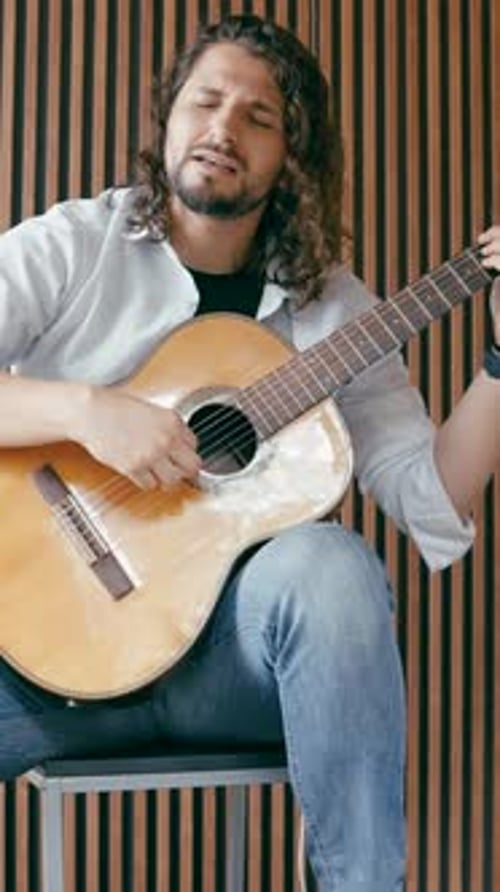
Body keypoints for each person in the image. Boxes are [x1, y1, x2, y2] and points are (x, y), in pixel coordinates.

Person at [0, 13, 498, 891]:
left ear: (291, 154)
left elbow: (432, 496)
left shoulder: (339, 316)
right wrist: (83, 410)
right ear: (168, 118)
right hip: (44, 667)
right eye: (207, 101)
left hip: (223, 673)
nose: (224, 129)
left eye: (259, 117)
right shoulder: (78, 244)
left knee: (330, 563)